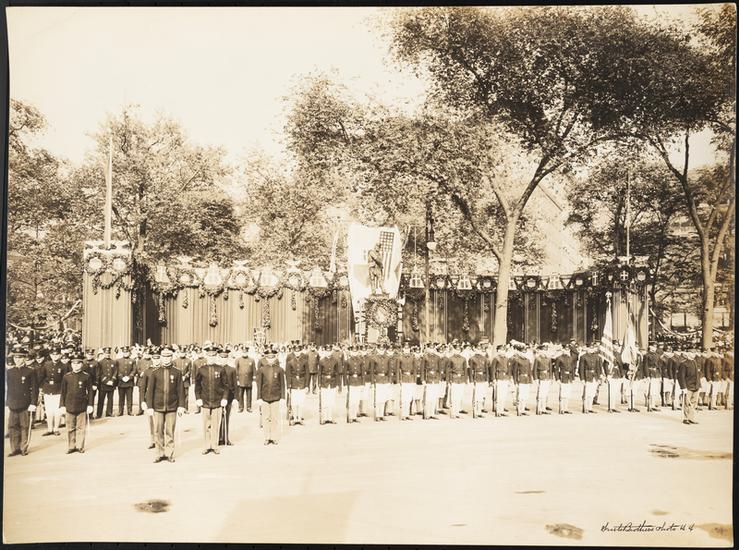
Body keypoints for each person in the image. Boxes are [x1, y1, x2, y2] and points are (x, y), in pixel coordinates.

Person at [145, 347, 186, 463]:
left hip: (172, 406)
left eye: (168, 356)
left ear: (171, 357)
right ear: (161, 358)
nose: (166, 359)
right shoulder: (155, 372)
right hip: (158, 406)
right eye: (164, 356)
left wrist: (181, 406)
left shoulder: (177, 372)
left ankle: (169, 453)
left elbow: (181, 390)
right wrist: (149, 407)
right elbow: (150, 391)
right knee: (158, 431)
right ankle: (159, 453)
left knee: (170, 431)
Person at [194, 342, 229, 455]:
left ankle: (214, 445)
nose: (211, 357)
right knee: (206, 425)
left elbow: (226, 386)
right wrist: (198, 398)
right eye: (209, 355)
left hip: (217, 401)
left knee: (215, 425)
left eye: (213, 355)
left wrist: (224, 398)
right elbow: (197, 386)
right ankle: (206, 445)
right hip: (205, 401)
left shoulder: (221, 369)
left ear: (216, 356)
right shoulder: (201, 369)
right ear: (206, 356)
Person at [5, 346, 39, 457]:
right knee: (13, 427)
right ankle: (14, 449)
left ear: (24, 358)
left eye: (20, 357)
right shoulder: (10, 372)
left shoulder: (30, 371)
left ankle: (23, 448)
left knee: (24, 426)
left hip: (25, 404)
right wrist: (7, 402)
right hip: (13, 404)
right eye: (15, 357)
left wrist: (33, 403)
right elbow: (8, 388)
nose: (17, 360)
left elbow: (35, 389)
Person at [59, 354, 95, 454]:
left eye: (78, 363)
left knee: (81, 428)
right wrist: (62, 405)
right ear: (71, 365)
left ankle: (80, 446)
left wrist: (90, 405)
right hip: (69, 406)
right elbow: (63, 392)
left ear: (81, 364)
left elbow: (90, 392)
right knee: (70, 428)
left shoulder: (86, 376)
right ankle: (71, 446)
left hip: (82, 405)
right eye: (74, 363)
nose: (76, 365)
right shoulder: (66, 377)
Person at [256, 346, 286, 445]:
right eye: (268, 357)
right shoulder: (262, 369)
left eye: (272, 357)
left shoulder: (280, 369)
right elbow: (259, 384)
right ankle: (266, 437)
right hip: (264, 397)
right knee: (265, 418)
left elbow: (282, 384)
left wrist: (283, 397)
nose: (270, 359)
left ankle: (273, 437)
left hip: (276, 397)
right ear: (266, 358)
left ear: (275, 357)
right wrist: (259, 397)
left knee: (274, 418)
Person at [38, 346, 67, 436]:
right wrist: (41, 388)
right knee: (49, 410)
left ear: (60, 355)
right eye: (53, 355)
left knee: (57, 411)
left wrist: (63, 391)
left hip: (58, 390)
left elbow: (65, 380)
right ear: (50, 355)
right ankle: (49, 429)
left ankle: (56, 429)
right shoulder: (46, 364)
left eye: (57, 354)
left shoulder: (64, 366)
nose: (55, 356)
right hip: (47, 390)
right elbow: (41, 377)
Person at [138, 350, 159, 450]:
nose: (156, 360)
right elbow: (143, 387)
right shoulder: (147, 371)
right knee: (151, 421)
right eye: (154, 359)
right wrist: (142, 400)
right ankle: (153, 440)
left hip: (160, 399)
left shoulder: (163, 370)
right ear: (152, 360)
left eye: (158, 358)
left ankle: (160, 440)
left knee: (160, 421)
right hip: (150, 399)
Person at [286, 343, 309, 425]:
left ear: (300, 351)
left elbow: (307, 374)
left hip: (302, 383)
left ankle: (299, 417)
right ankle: (295, 418)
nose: (297, 353)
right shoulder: (290, 362)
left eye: (298, 351)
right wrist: (288, 386)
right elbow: (288, 375)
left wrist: (307, 385)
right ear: (294, 352)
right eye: (295, 351)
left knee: (301, 401)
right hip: (294, 384)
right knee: (294, 402)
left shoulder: (305, 361)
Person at [678, 349, 702, 425]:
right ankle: (686, 418)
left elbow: (697, 375)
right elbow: (681, 377)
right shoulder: (683, 364)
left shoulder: (694, 362)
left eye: (695, 352)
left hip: (695, 386)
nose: (694, 354)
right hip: (688, 386)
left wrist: (699, 385)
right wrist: (683, 387)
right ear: (688, 353)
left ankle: (691, 418)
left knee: (693, 403)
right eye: (692, 352)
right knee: (687, 403)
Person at [318, 345, 340, 424]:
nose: (328, 352)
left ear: (331, 351)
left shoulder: (335, 361)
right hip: (324, 383)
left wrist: (337, 384)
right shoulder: (321, 361)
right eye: (327, 351)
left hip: (332, 382)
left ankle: (330, 418)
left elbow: (337, 373)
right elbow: (319, 373)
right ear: (325, 351)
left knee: (331, 401)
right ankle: (324, 418)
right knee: (324, 401)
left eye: (329, 351)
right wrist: (319, 384)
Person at [219, 348, 237, 446]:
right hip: (218, 398)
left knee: (226, 418)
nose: (223, 359)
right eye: (221, 357)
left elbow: (234, 385)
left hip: (229, 397)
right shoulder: (216, 369)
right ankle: (218, 438)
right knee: (217, 418)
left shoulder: (232, 370)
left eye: (225, 357)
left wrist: (235, 398)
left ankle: (226, 438)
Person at [371, 344, 393, 421]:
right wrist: (372, 381)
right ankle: (377, 415)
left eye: (383, 349)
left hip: (385, 379)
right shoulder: (374, 358)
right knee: (378, 398)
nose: (381, 350)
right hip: (378, 379)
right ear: (378, 349)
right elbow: (372, 371)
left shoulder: (387, 358)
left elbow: (390, 370)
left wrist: (389, 380)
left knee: (384, 397)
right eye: (380, 349)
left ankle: (382, 415)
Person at [421, 344, 443, 420]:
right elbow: (422, 369)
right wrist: (423, 380)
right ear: (428, 349)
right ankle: (427, 413)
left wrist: (439, 379)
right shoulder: (425, 357)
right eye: (430, 348)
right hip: (428, 379)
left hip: (435, 379)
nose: (432, 350)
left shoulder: (438, 357)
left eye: (433, 348)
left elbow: (439, 369)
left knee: (434, 397)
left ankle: (432, 413)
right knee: (428, 397)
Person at [578, 344, 602, 414]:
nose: (591, 350)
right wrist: (582, 379)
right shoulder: (583, 357)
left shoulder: (597, 357)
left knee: (592, 393)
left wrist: (599, 377)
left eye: (592, 348)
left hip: (594, 376)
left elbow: (598, 368)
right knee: (587, 393)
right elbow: (581, 369)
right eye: (590, 348)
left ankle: (590, 408)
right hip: (587, 376)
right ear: (587, 348)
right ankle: (585, 408)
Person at [344, 346, 364, 423]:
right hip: (351, 381)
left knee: (357, 400)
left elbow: (362, 373)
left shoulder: (360, 361)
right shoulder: (347, 361)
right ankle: (350, 417)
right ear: (351, 352)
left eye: (356, 351)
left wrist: (362, 383)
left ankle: (354, 416)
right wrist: (345, 384)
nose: (354, 352)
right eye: (353, 351)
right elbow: (345, 373)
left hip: (358, 381)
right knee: (351, 400)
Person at [396, 343, 416, 421]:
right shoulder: (400, 357)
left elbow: (414, 369)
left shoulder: (412, 357)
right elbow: (398, 369)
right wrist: (399, 380)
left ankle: (407, 414)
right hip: (404, 378)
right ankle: (403, 414)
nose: (406, 349)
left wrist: (414, 379)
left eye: (408, 347)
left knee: (409, 397)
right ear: (403, 349)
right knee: (404, 397)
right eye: (405, 347)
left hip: (410, 378)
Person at [511, 344, 532, 416]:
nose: (524, 353)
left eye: (525, 352)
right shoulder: (517, 360)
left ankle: (523, 409)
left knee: (525, 395)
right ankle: (519, 410)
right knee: (520, 395)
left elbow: (529, 371)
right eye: (523, 352)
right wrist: (515, 381)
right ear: (520, 352)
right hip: (520, 379)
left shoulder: (528, 360)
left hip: (526, 379)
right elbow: (515, 372)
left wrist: (530, 381)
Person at [491, 345, 512, 417]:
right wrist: (493, 379)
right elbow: (493, 370)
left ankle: (502, 410)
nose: (502, 352)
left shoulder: (507, 358)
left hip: (505, 378)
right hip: (499, 377)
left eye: (503, 350)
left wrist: (509, 378)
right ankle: (498, 411)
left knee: (504, 395)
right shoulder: (496, 359)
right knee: (499, 395)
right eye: (501, 350)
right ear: (498, 351)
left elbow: (509, 369)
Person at [468, 344, 489, 418]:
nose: (479, 350)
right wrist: (471, 380)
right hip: (476, 378)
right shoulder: (472, 359)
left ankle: (479, 411)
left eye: (480, 349)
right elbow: (470, 370)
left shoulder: (484, 358)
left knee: (481, 395)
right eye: (477, 349)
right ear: (475, 349)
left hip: (483, 378)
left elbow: (486, 370)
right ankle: (475, 412)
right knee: (476, 396)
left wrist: (487, 380)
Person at [553, 346, 575, 414]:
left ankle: (566, 408)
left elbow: (572, 369)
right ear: (563, 350)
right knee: (563, 394)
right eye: (565, 349)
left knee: (568, 394)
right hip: (563, 377)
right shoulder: (559, 358)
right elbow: (556, 369)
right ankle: (562, 408)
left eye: (568, 350)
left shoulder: (571, 358)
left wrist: (573, 378)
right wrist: (557, 379)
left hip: (569, 378)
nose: (567, 351)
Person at [115, 346, 136, 416]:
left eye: (127, 352)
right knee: (121, 398)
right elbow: (116, 370)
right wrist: (121, 377)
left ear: (129, 352)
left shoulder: (132, 360)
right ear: (122, 352)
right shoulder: (118, 361)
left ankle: (130, 411)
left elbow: (134, 370)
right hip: (121, 382)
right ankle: (120, 411)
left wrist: (129, 377)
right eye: (124, 352)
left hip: (129, 382)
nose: (126, 353)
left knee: (129, 397)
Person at [97, 348, 117, 418]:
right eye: (106, 353)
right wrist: (106, 381)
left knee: (110, 399)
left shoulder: (113, 362)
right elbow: (99, 373)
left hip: (111, 384)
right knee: (101, 399)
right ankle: (99, 414)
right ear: (103, 354)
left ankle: (109, 412)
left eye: (108, 353)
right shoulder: (100, 362)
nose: (107, 354)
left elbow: (115, 372)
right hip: (103, 384)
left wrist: (112, 380)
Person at [532, 345, 553, 415]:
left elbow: (550, 369)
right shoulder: (538, 358)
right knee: (540, 394)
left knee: (545, 394)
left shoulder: (549, 358)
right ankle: (539, 409)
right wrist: (535, 379)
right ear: (541, 351)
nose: (545, 351)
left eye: (546, 350)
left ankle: (544, 408)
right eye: (543, 350)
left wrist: (551, 378)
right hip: (541, 377)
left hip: (547, 377)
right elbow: (534, 370)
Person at [235, 346, 256, 413]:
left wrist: (254, 379)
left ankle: (249, 407)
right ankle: (240, 407)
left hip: (249, 380)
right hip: (241, 380)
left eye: (246, 352)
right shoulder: (238, 360)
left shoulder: (252, 360)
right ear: (241, 352)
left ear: (247, 352)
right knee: (240, 394)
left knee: (249, 394)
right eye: (243, 352)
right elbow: (236, 370)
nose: (244, 353)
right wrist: (237, 379)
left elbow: (254, 369)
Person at [643, 344, 662, 412]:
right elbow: (645, 366)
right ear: (650, 347)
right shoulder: (646, 355)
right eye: (653, 346)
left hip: (656, 374)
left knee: (655, 391)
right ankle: (649, 405)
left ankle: (653, 405)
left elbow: (659, 366)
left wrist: (660, 376)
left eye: (655, 347)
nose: (654, 348)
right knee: (650, 390)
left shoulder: (657, 355)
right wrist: (647, 375)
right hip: (650, 373)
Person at [172, 348, 192, 413]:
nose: (182, 354)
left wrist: (185, 377)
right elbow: (174, 370)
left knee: (186, 395)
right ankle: (177, 407)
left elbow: (190, 371)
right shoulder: (175, 361)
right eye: (181, 352)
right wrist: (179, 377)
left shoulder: (189, 361)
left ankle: (185, 408)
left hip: (185, 381)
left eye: (183, 353)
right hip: (177, 380)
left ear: (185, 353)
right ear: (179, 353)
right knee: (177, 394)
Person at [82, 349, 100, 418]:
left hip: (92, 384)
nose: (89, 356)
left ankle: (90, 415)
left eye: (91, 355)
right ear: (86, 354)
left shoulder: (96, 363)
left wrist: (96, 384)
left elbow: (97, 375)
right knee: (83, 398)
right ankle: (83, 414)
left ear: (93, 355)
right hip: (83, 383)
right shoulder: (83, 362)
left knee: (91, 399)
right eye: (88, 354)